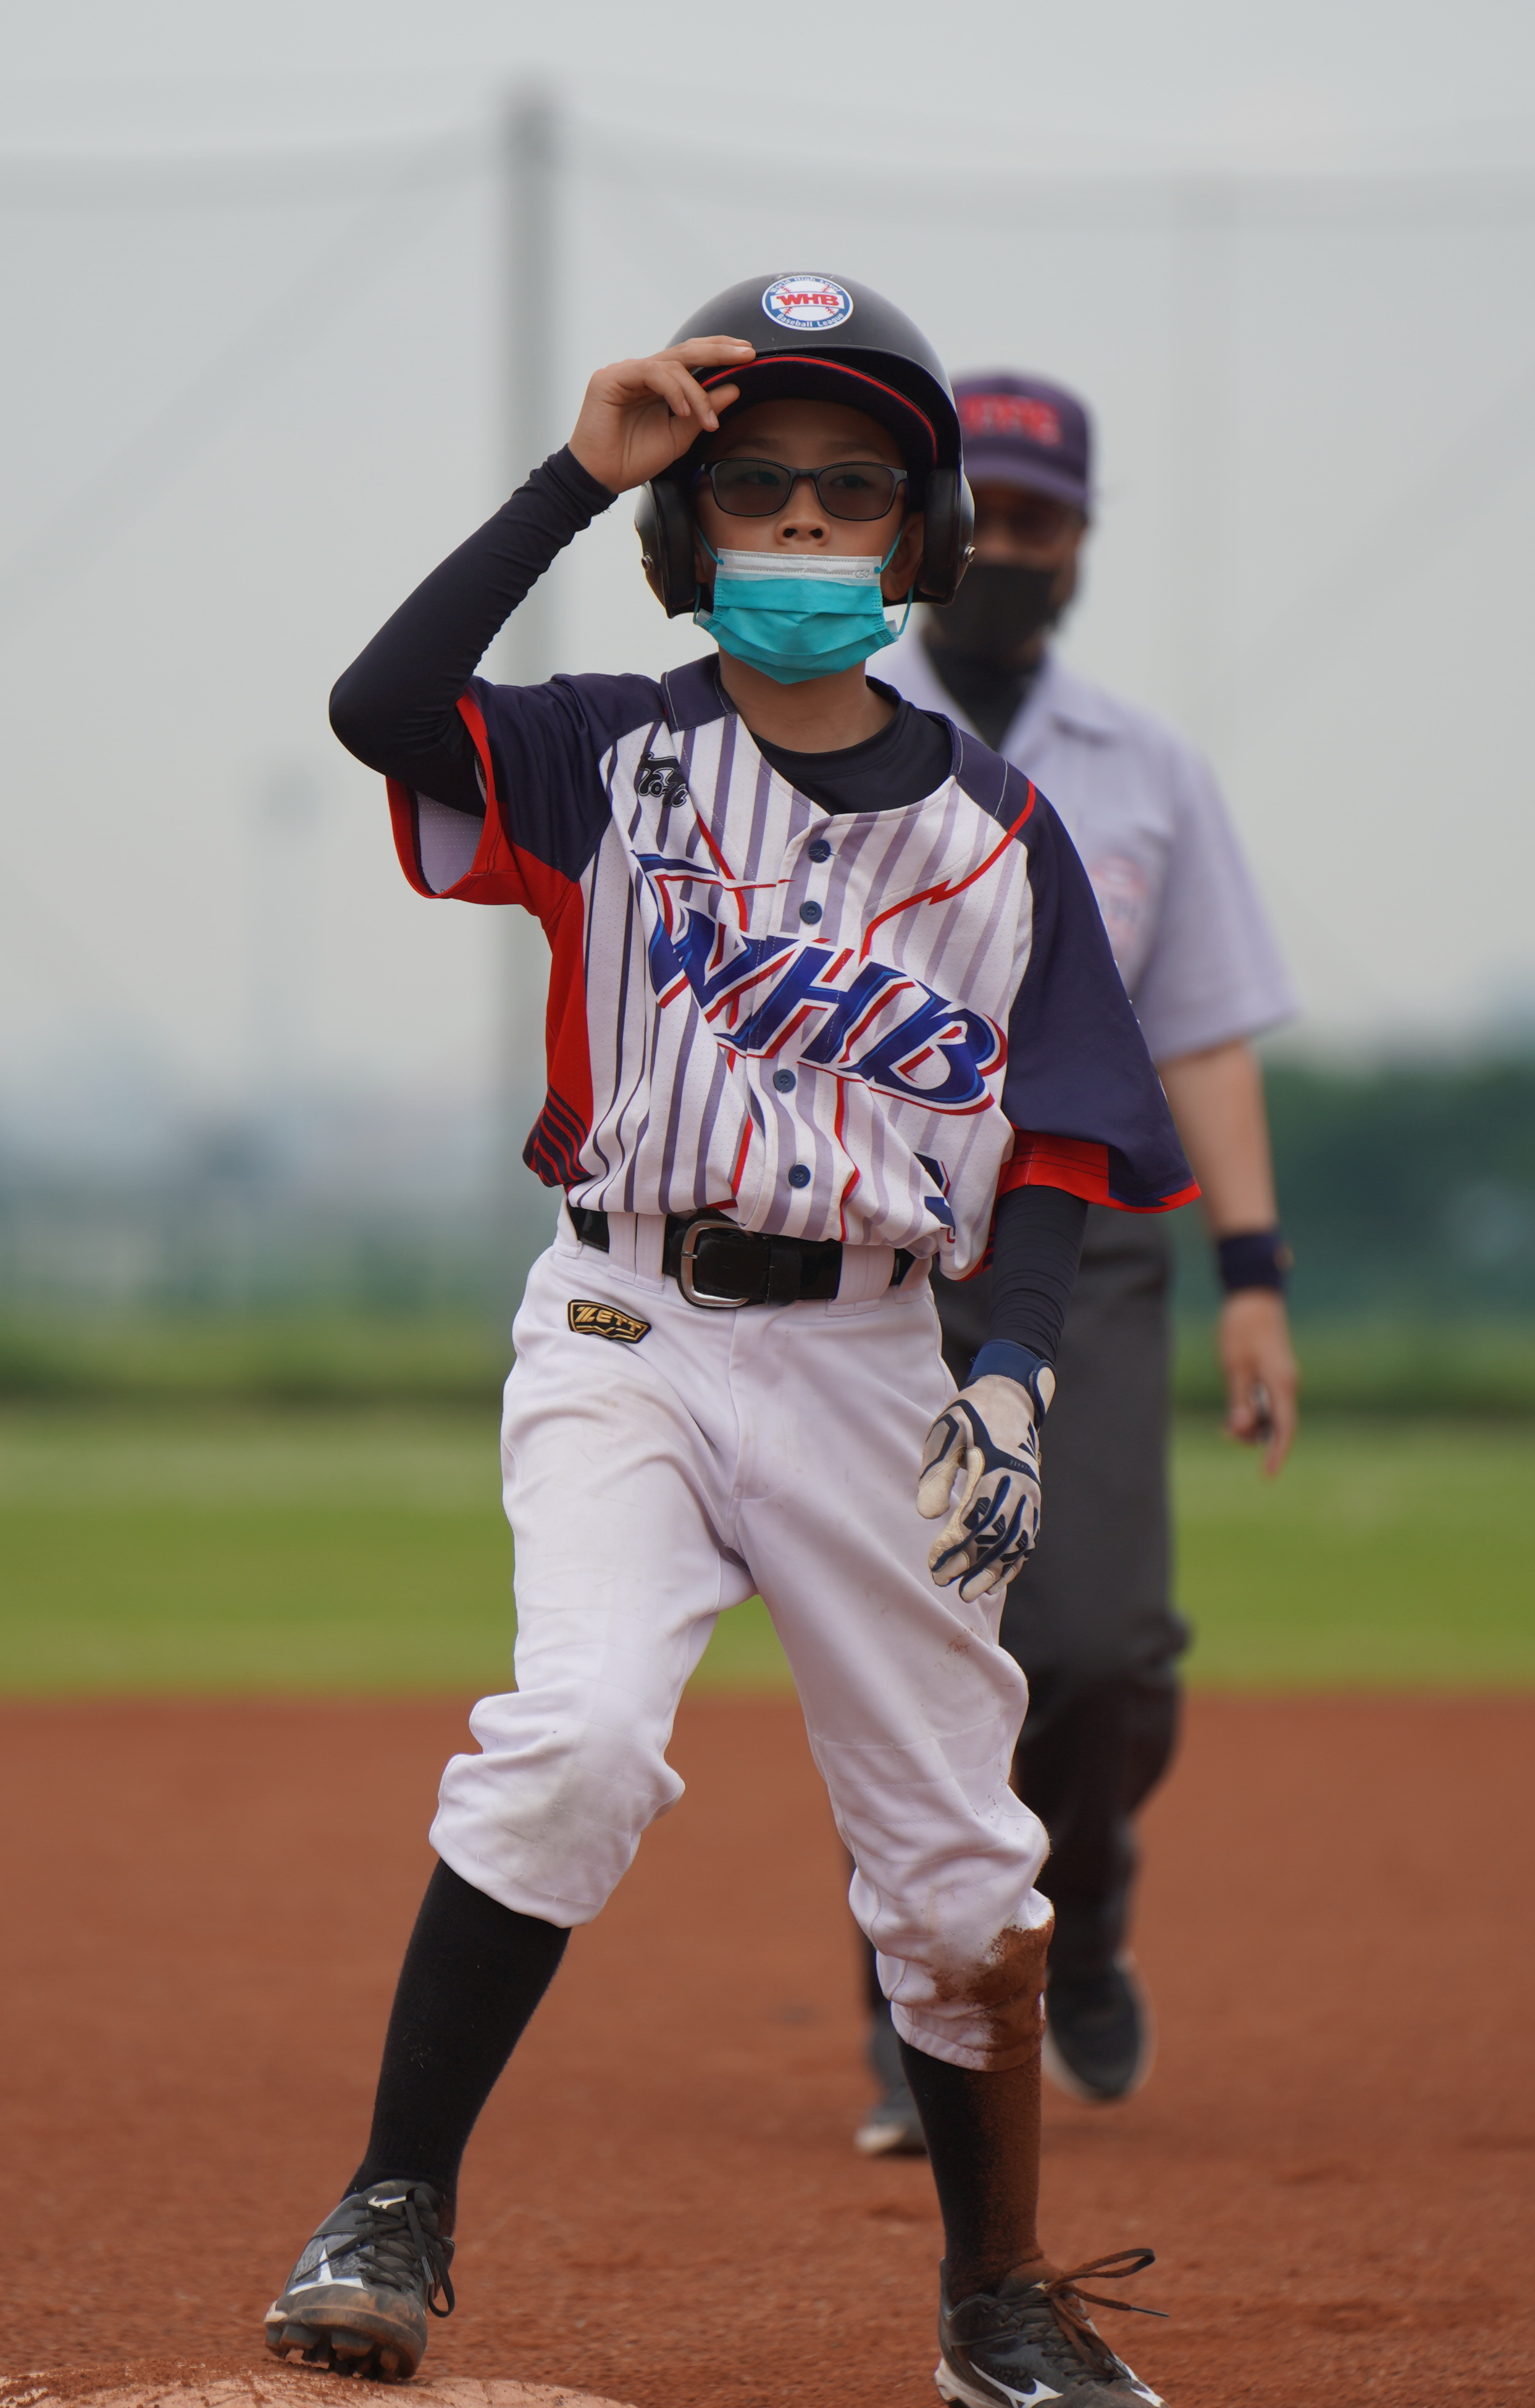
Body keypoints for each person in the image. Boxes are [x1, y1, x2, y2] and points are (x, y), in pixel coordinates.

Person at [264, 275, 1191, 2408]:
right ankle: (388, 2204)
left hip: (875, 1362)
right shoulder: (606, 751)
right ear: (687, 531)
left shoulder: (998, 833)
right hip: (628, 1323)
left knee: (956, 1863)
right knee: (580, 1736)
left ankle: (994, 2303)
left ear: (921, 536)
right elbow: (381, 706)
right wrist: (573, 480)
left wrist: (1011, 1367)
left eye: (849, 493)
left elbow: (1058, 1134)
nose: (797, 527)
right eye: (751, 489)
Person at [850, 372, 1299, 2154]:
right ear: (926, 529)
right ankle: (925, 2011)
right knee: (911, 1634)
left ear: (1081, 542)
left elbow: (1201, 1032)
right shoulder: (816, 723)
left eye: (1041, 519)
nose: (1008, 548)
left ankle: (1082, 1909)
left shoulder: (1144, 769)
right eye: (985, 514)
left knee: (1098, 1650)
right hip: (878, 1240)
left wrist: (1253, 1274)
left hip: (1090, 1247)